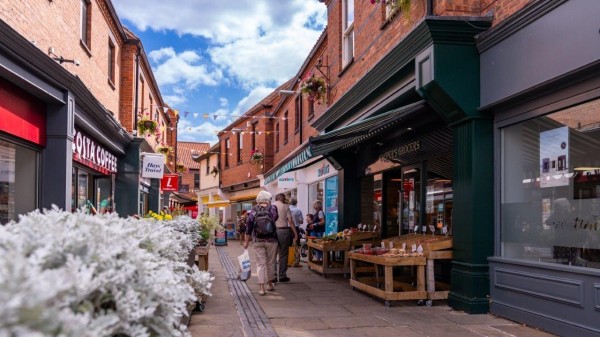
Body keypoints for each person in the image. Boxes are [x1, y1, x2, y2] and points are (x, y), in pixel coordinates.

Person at [244, 191, 278, 295]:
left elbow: (249, 227)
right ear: (268, 199)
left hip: (258, 240)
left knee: (260, 264)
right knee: (270, 263)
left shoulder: (254, 210)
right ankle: (270, 284)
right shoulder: (273, 208)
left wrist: (246, 242)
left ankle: (261, 288)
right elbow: (275, 218)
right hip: (271, 240)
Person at [272, 193, 298, 283]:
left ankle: (273, 276)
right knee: (283, 254)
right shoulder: (286, 207)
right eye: (284, 199)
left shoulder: (271, 206)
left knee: (273, 255)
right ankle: (282, 276)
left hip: (273, 232)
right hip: (283, 231)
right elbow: (290, 221)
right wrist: (295, 233)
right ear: (282, 199)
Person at [289, 198, 304, 267]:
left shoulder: (287, 209)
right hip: (296, 228)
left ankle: (288, 261)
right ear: (296, 203)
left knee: (288, 245)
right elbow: (301, 221)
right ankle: (296, 262)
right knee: (296, 245)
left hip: (287, 229)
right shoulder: (298, 210)